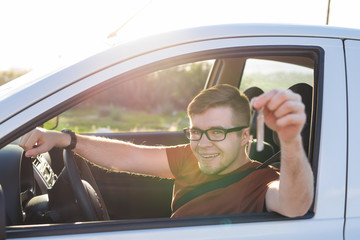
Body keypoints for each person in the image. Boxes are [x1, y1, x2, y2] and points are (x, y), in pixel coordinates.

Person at [19, 84, 314, 218]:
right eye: (196, 131)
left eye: (217, 132)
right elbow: (128, 157)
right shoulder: (192, 157)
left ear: (245, 136)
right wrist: (65, 139)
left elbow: (294, 204)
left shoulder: (262, 183)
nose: (203, 143)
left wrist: (290, 141)